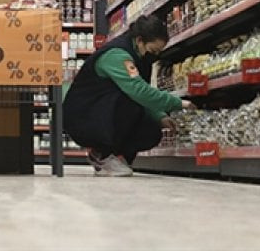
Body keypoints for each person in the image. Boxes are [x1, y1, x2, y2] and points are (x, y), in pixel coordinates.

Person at [63, 15, 192, 177]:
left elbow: (143, 90)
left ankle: (113, 156)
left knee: (151, 130)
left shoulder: (140, 56)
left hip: (100, 114)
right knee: (129, 101)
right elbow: (139, 91)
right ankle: (103, 155)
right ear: (139, 40)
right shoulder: (117, 55)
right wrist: (178, 103)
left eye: (159, 52)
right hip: (83, 117)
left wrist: (159, 116)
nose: (155, 55)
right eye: (153, 50)